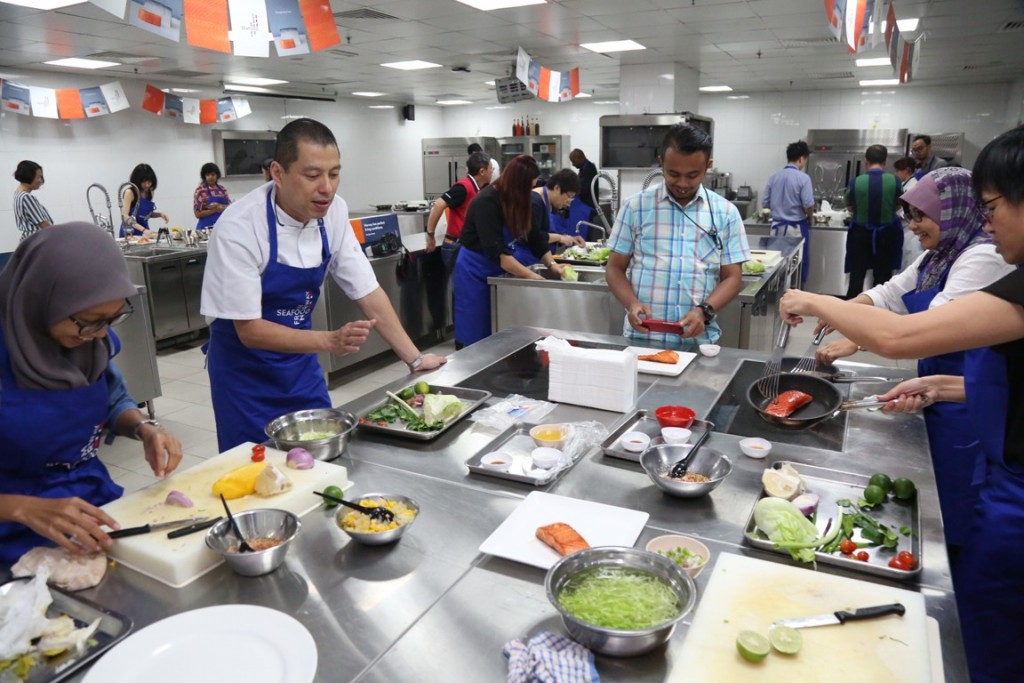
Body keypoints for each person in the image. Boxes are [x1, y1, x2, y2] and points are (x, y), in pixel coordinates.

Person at [778, 124, 1024, 683]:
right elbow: (891, 296)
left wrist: (818, 301)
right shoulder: (943, 258)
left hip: (1008, 482)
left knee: (991, 628)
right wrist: (943, 387)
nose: (988, 222)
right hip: (985, 438)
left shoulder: (989, 265)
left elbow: (903, 336)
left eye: (994, 206)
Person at [201, 118, 446, 452]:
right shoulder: (240, 226)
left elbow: (367, 290)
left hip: (300, 366)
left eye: (334, 174)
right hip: (244, 376)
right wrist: (328, 340)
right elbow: (250, 330)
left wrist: (415, 360)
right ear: (277, 172)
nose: (327, 187)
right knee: (255, 467)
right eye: (313, 175)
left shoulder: (333, 213)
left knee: (323, 457)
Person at [814, 167, 1013, 550]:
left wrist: (844, 326)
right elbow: (891, 292)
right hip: (939, 385)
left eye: (922, 216)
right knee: (935, 486)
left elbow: (924, 329)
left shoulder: (982, 258)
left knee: (956, 500)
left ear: (957, 209)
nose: (913, 226)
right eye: (910, 216)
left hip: (967, 401)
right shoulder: (940, 255)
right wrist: (847, 309)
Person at [0, 224, 183, 564]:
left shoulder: (91, 344)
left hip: (91, 510)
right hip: (11, 532)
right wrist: (24, 507)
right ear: (44, 299)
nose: (99, 334)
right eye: (89, 321)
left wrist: (143, 428)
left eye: (111, 319)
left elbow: (113, 401)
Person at [606, 124, 749, 349]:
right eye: (673, 174)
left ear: (707, 166)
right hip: (643, 339)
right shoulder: (636, 207)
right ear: (661, 162)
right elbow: (614, 268)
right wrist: (632, 303)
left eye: (693, 175)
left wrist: (704, 311)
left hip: (698, 341)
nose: (683, 184)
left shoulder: (726, 213)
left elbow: (732, 278)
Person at [452, 155, 566, 348]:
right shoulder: (486, 202)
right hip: (474, 272)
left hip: (497, 273)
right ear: (516, 183)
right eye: (526, 187)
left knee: (500, 333)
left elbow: (534, 237)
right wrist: (534, 277)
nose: (529, 191)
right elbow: (501, 256)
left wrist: (552, 265)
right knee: (477, 335)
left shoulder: (518, 199)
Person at [843, 144, 903, 299]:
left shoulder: (855, 182)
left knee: (856, 276)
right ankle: (877, 313)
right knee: (883, 279)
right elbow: (898, 205)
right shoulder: (895, 181)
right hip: (887, 235)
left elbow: (849, 206)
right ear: (884, 162)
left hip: (860, 236)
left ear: (866, 161)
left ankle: (849, 313)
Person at [425, 151, 492, 271]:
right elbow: (438, 205)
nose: (492, 172)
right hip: (456, 246)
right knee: (459, 286)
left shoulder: (476, 188)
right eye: (491, 169)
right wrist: (430, 235)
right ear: (482, 171)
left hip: (464, 245)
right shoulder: (463, 187)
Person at [762, 141, 815, 283]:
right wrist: (810, 217)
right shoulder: (804, 178)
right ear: (801, 158)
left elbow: (765, 203)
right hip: (796, 229)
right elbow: (808, 204)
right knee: (797, 264)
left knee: (776, 263)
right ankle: (795, 293)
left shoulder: (774, 177)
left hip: (776, 228)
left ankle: (776, 296)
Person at [534, 169, 585, 253]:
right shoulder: (535, 201)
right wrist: (560, 238)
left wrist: (569, 238)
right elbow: (535, 238)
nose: (568, 203)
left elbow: (547, 233)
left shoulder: (551, 203)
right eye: (568, 197)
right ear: (557, 188)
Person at [120, 163, 169, 237]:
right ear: (137, 180)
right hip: (130, 232)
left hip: (145, 231)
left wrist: (160, 214)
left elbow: (145, 215)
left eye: (149, 182)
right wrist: (143, 230)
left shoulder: (150, 192)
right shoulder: (130, 192)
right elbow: (125, 216)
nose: (147, 185)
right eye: (143, 182)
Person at [13, 160, 53, 241]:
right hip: (37, 240)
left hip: (29, 240)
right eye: (38, 177)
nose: (40, 181)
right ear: (28, 176)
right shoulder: (26, 197)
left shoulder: (17, 195)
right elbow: (43, 224)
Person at [893, 156, 922, 267]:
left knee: (908, 261)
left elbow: (907, 212)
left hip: (910, 231)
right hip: (905, 229)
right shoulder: (906, 185)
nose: (896, 174)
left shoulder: (913, 187)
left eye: (897, 171)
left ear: (906, 171)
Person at [193, 162, 232, 231]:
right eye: (208, 175)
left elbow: (230, 208)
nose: (210, 177)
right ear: (204, 176)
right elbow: (197, 214)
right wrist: (215, 209)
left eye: (213, 174)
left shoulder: (222, 190)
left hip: (222, 227)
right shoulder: (200, 191)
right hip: (205, 229)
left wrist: (219, 206)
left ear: (217, 175)